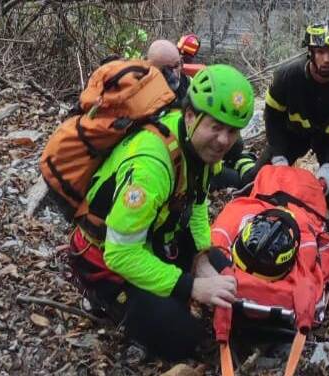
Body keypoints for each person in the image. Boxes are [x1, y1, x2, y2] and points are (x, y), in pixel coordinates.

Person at [64, 65, 255, 360]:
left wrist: (202, 256)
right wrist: (193, 287)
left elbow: (199, 203)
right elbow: (121, 254)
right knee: (181, 338)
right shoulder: (151, 166)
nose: (223, 141)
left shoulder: (198, 147)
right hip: (104, 258)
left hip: (152, 237)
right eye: (215, 127)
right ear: (190, 115)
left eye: (232, 131)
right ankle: (104, 300)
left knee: (222, 265)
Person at [194, 164, 329, 342]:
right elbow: (318, 268)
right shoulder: (304, 229)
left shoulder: (239, 208)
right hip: (303, 196)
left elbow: (212, 245)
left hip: (288, 190)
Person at [239, 20, 329, 208]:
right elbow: (273, 119)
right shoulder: (286, 78)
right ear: (310, 52)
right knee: (255, 181)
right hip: (293, 135)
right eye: (321, 52)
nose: (326, 59)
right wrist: (279, 157)